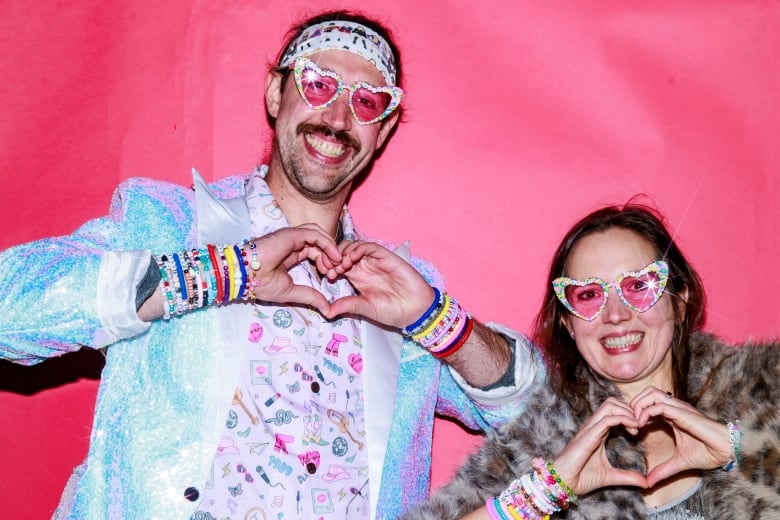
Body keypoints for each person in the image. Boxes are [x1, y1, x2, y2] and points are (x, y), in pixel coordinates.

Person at [0, 9, 543, 520]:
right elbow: (9, 313)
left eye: (367, 101)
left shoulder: (400, 292)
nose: (336, 117)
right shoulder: (166, 224)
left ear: (385, 128)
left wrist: (438, 320)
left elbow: (541, 421)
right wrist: (222, 272)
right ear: (275, 92)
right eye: (318, 85)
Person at [402, 203, 780, 519]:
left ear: (679, 301)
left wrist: (739, 450)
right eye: (589, 295)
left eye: (639, 286)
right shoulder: (541, 443)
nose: (615, 314)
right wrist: (544, 492)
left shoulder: (767, 391)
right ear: (567, 323)